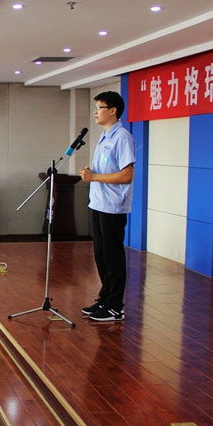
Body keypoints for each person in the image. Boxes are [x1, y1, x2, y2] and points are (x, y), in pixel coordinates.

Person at [79, 91, 136, 322]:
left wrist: (94, 177)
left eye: (99, 108)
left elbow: (127, 175)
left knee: (113, 257)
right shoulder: (105, 137)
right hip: (98, 203)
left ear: (113, 110)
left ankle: (115, 306)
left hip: (112, 206)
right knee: (101, 256)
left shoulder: (122, 137)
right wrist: (91, 174)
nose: (95, 112)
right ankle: (105, 298)